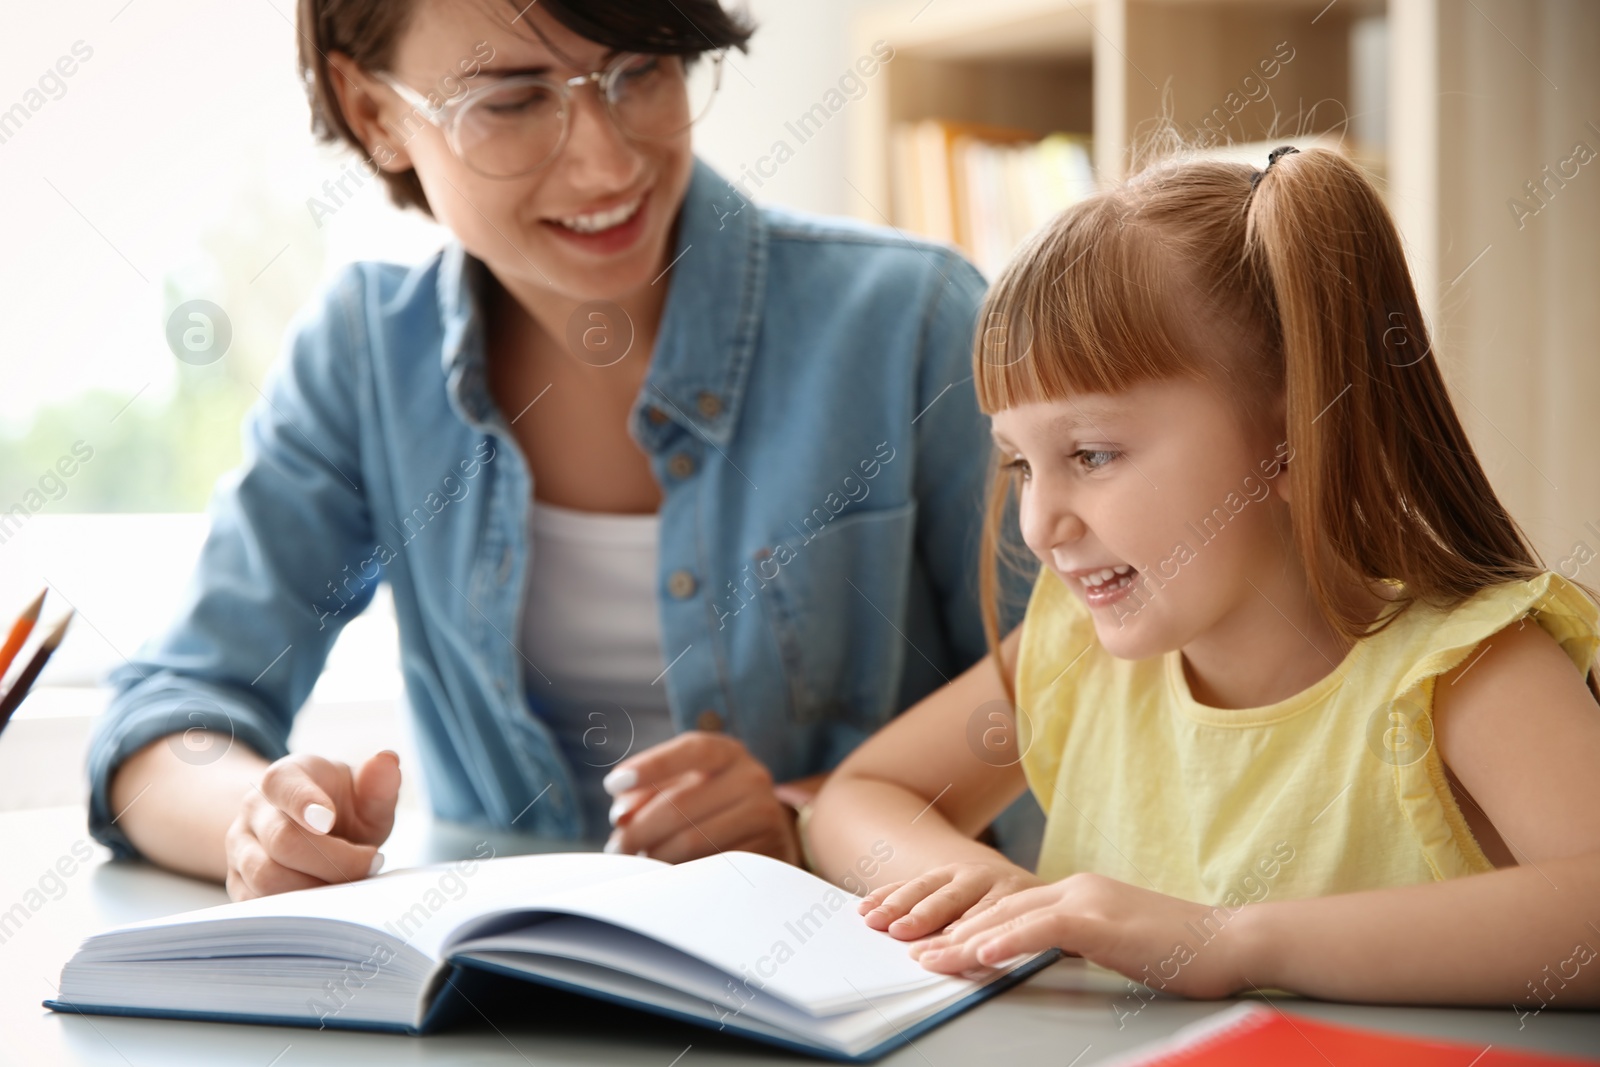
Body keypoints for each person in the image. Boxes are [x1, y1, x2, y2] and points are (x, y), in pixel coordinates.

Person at [90, 0, 1030, 901]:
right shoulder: (367, 356)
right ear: (374, 111)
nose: (606, 161)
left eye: (641, 69)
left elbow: (1092, 699)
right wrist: (258, 828)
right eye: (511, 99)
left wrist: (804, 824)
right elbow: (171, 714)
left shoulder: (914, 327)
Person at [805, 146, 1600, 1007]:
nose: (1040, 525)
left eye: (1092, 453)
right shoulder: (1075, 650)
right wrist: (993, 888)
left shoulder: (1468, 670)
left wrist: (1229, 942)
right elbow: (858, 796)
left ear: (1297, 433)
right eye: (1020, 466)